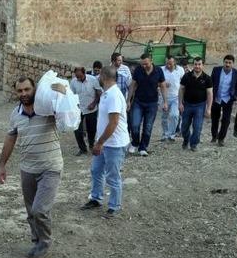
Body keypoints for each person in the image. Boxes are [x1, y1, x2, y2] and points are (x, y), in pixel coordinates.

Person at [0, 77, 68, 258]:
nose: (24, 94)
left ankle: (45, 242)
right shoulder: (15, 114)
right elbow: (10, 139)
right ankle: (36, 241)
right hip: (27, 168)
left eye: (27, 89)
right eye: (20, 91)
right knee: (30, 212)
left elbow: (66, 111)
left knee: (39, 210)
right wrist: (2, 165)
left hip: (50, 166)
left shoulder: (47, 109)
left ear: (34, 89)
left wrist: (61, 91)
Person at [80, 66, 129, 219]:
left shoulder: (114, 95)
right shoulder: (107, 94)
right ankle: (96, 198)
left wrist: (99, 142)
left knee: (113, 176)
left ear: (103, 76)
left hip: (114, 144)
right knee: (96, 170)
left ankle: (114, 206)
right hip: (104, 142)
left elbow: (113, 123)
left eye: (99, 75)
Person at [126, 54, 167, 157]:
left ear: (151, 61)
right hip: (138, 102)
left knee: (148, 127)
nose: (144, 66)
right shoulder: (138, 70)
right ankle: (135, 142)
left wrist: (165, 101)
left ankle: (143, 147)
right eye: (142, 64)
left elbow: (163, 86)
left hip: (152, 103)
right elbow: (133, 85)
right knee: (134, 125)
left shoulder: (158, 71)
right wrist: (128, 100)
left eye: (146, 64)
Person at [178, 57, 213, 151]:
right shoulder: (187, 76)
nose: (197, 66)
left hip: (200, 106)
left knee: (197, 127)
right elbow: (181, 89)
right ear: (193, 65)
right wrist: (180, 103)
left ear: (203, 65)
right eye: (195, 64)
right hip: (187, 105)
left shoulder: (207, 78)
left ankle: (194, 144)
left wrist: (208, 108)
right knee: (184, 127)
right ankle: (186, 139)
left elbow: (210, 94)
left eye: (199, 64)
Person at [69, 66, 101, 156]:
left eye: (80, 76)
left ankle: (91, 144)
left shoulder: (93, 80)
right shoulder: (73, 82)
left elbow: (99, 93)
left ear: (84, 73)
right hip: (78, 109)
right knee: (77, 129)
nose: (78, 78)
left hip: (91, 108)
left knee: (92, 128)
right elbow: (71, 95)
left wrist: (94, 103)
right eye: (77, 76)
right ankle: (82, 149)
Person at [210, 55, 237, 146]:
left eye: (229, 63)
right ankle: (214, 136)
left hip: (228, 99)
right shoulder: (216, 70)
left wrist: (235, 96)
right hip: (216, 98)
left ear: (233, 64)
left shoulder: (236, 73)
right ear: (223, 62)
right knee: (215, 119)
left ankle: (221, 139)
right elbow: (211, 82)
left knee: (226, 120)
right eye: (226, 62)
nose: (227, 64)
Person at [159, 56, 184, 141]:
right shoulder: (161, 69)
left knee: (175, 115)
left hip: (176, 97)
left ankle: (171, 134)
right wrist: (163, 83)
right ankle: (165, 133)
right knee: (164, 117)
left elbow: (183, 81)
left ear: (174, 62)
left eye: (170, 63)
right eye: (166, 63)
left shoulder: (180, 70)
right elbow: (155, 81)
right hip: (164, 97)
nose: (168, 65)